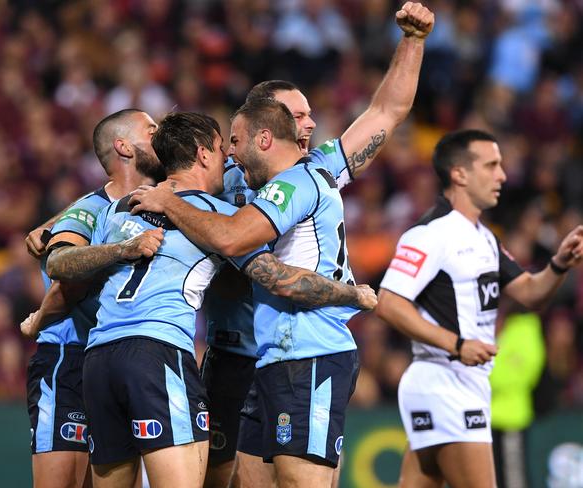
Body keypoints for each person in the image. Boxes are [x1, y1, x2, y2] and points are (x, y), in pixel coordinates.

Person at [44, 111, 377, 488]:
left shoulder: (117, 208)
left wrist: (41, 315)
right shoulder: (217, 216)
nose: (230, 158)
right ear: (204, 155)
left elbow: (63, 270)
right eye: (222, 149)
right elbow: (280, 278)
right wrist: (353, 294)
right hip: (159, 355)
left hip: (98, 361)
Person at [186, 4, 435, 486]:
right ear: (265, 126)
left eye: (309, 114)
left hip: (302, 347)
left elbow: (387, 111)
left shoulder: (315, 172)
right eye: (296, 115)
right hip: (235, 353)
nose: (308, 124)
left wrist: (412, 42)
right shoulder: (221, 178)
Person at [375, 129, 583, 488]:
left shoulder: (484, 237)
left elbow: (530, 292)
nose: (502, 175)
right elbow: (389, 303)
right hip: (445, 379)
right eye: (492, 165)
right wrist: (456, 344)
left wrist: (559, 264)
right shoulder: (430, 234)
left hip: (460, 384)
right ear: (459, 174)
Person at [22, 109, 165, 488]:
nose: (162, 135)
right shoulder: (86, 211)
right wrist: (39, 319)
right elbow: (63, 277)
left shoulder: (163, 202)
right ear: (123, 146)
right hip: (69, 359)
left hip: (123, 362)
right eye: (151, 130)